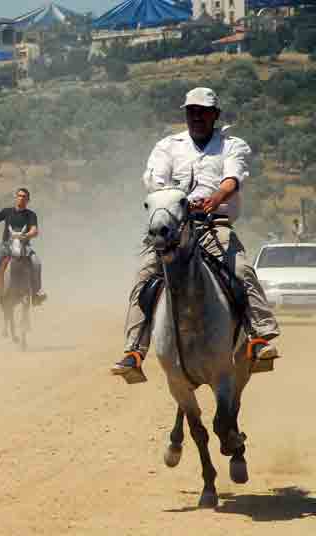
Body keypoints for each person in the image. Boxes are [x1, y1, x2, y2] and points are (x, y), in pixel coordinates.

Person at [111, 87, 280, 383]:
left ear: (215, 115)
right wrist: (176, 202)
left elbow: (232, 178)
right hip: (173, 228)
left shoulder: (232, 145)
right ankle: (134, 352)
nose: (196, 117)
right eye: (191, 111)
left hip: (214, 224)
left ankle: (260, 336)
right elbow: (156, 182)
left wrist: (215, 198)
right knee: (143, 276)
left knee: (241, 269)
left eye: (203, 112)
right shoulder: (168, 146)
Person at [0, 188, 46, 305]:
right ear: (16, 197)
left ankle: (37, 293)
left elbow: (35, 231)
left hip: (24, 245)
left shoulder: (31, 215)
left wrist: (25, 235)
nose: (21, 198)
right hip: (6, 246)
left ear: (28, 200)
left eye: (24, 196)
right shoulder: (7, 211)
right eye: (19, 195)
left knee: (37, 263)